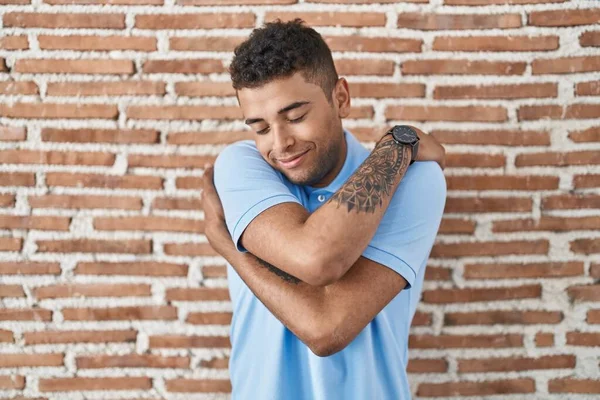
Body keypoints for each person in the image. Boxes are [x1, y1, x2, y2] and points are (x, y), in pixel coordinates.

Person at [201, 19, 447, 400]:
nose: (280, 144)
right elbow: (314, 259)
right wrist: (401, 144)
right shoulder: (239, 164)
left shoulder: (415, 182)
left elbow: (326, 324)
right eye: (261, 128)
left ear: (341, 98)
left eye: (296, 117)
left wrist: (228, 245)